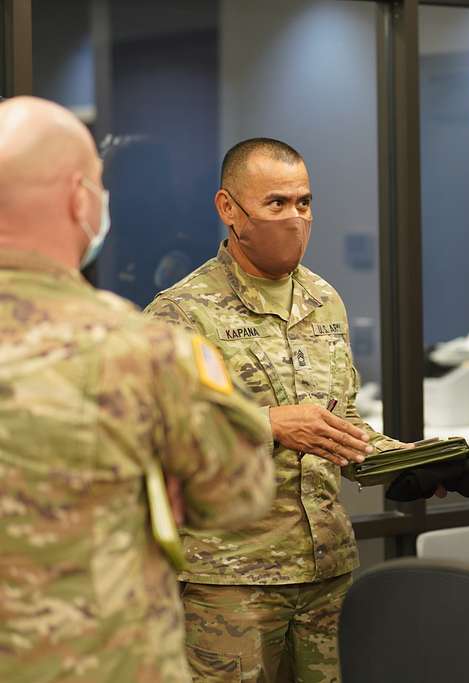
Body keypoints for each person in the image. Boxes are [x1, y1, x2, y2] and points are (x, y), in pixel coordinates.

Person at [0, 97, 275, 682]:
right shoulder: (142, 351)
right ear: (80, 199)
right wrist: (155, 475)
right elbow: (241, 492)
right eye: (98, 184)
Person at [145, 138, 412, 682]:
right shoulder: (180, 314)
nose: (295, 218)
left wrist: (409, 462)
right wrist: (266, 425)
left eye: (304, 202)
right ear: (229, 209)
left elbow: (342, 422)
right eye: (276, 204)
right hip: (230, 583)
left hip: (325, 572)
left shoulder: (323, 300)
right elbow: (155, 442)